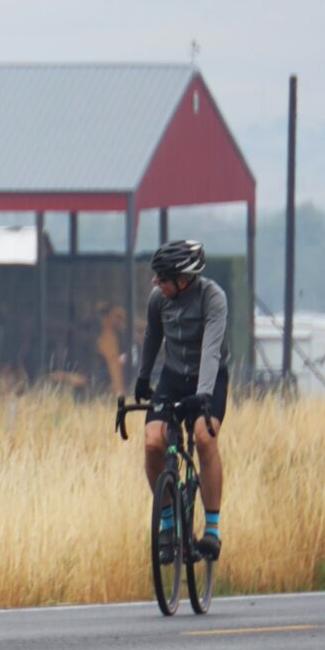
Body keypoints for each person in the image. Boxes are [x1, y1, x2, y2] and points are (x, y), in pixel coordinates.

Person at [133, 239, 229, 560]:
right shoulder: (158, 300)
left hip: (209, 376)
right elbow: (152, 336)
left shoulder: (212, 298)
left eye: (161, 277)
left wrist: (201, 395)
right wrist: (144, 377)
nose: (155, 282)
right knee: (152, 442)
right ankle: (167, 523)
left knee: (203, 437)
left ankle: (212, 530)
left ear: (183, 279)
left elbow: (211, 350)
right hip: (173, 377)